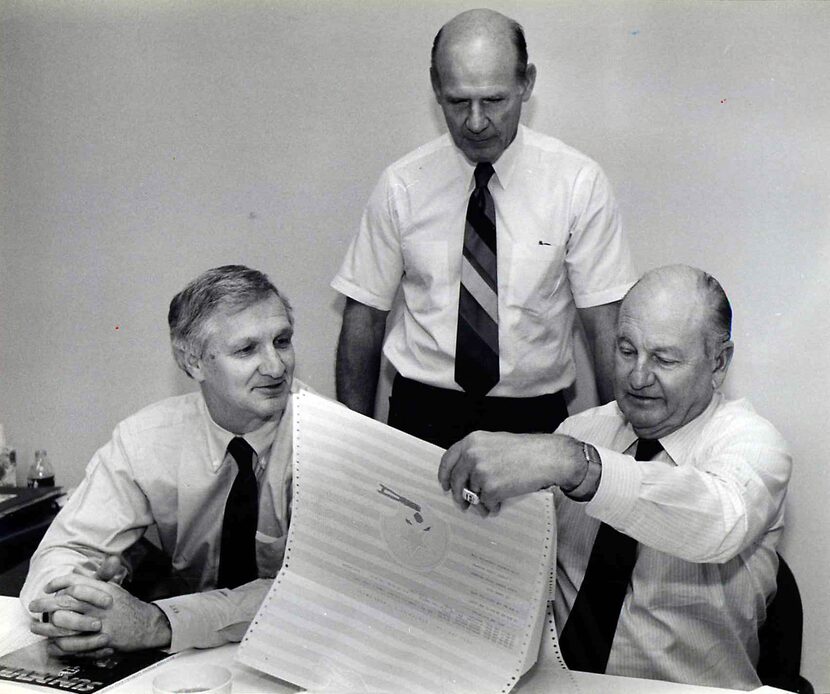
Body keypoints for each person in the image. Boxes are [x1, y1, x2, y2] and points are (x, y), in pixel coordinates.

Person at [438, 265, 792, 689]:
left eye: (663, 359)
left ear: (718, 363)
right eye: (626, 350)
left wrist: (578, 467)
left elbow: (719, 520)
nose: (638, 377)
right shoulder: (582, 432)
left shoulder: (753, 444)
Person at [331, 9, 637, 449]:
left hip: (534, 419)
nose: (475, 122)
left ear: (526, 83)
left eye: (493, 100)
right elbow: (363, 317)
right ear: (436, 87)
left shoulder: (577, 183)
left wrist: (620, 463)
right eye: (458, 102)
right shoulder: (402, 184)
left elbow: (605, 325)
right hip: (421, 415)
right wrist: (351, 446)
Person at [21, 265, 303, 656]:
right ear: (193, 363)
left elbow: (313, 591)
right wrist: (74, 614)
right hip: (190, 659)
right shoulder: (146, 440)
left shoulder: (333, 440)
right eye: (247, 349)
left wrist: (158, 623)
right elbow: (65, 550)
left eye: (282, 341)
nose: (276, 367)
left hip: (301, 650)